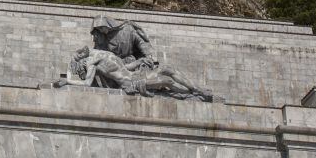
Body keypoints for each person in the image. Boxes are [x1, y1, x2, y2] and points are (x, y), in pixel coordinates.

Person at [64, 46, 219, 102]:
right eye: (77, 56)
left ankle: (197, 90)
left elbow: (124, 67)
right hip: (130, 84)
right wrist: (68, 81)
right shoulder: (91, 63)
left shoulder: (102, 53)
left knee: (168, 69)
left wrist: (139, 62)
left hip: (135, 75)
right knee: (166, 81)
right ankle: (192, 94)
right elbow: (86, 84)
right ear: (81, 62)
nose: (79, 52)